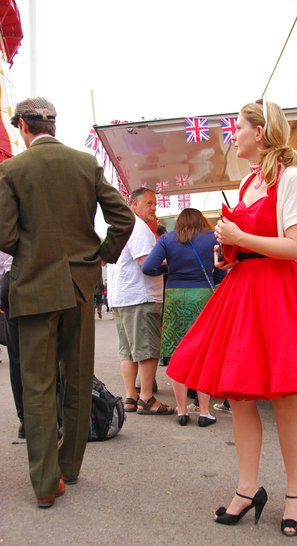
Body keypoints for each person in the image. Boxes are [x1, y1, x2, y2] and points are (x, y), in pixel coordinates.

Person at [166, 100, 297, 535]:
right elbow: (254, 243)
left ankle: (294, 494)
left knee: (284, 396)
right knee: (240, 395)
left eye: (238, 127)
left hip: (279, 293)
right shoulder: (248, 182)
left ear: (258, 133)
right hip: (243, 290)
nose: (233, 135)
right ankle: (247, 488)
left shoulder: (291, 177)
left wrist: (242, 236)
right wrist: (230, 252)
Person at [0, 97, 134, 508]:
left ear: (23, 126)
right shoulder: (85, 164)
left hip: (34, 286)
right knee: (76, 376)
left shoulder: (11, 170)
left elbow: (4, 235)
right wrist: (100, 256)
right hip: (79, 284)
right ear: (53, 125)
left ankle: (45, 482)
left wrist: (33, 253)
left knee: (37, 384)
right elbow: (123, 218)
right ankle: (69, 467)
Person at [143, 208, 225, 427]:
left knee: (178, 353)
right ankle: (204, 412)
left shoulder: (167, 239)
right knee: (204, 352)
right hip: (203, 297)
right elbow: (221, 270)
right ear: (201, 220)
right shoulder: (212, 237)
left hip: (175, 297)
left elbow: (149, 267)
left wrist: (171, 268)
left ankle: (181, 411)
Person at [108, 187, 174, 415]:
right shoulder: (138, 227)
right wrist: (173, 264)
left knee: (127, 351)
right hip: (140, 296)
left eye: (155, 203)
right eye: (149, 203)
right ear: (134, 204)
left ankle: (131, 397)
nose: (154, 208)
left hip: (122, 297)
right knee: (147, 349)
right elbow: (146, 263)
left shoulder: (120, 224)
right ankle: (146, 397)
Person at [0, 251, 24, 437]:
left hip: (10, 280)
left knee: (16, 357)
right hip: (36, 275)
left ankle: (25, 419)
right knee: (47, 352)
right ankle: (52, 415)